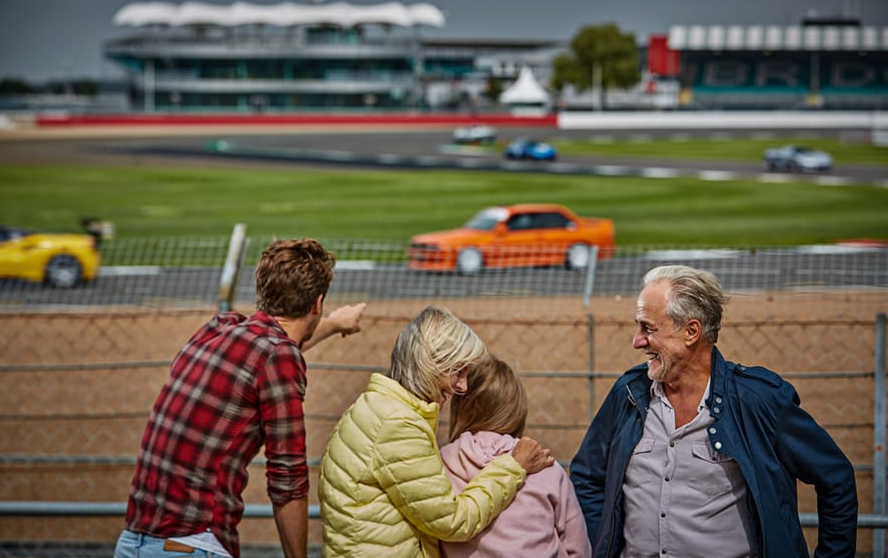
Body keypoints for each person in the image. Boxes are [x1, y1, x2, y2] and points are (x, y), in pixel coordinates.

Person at [570, 265, 858, 558]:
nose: (637, 340)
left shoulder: (758, 400)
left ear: (691, 331)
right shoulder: (628, 393)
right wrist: (600, 545)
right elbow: (587, 477)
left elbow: (835, 477)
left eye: (648, 328)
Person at [114, 238, 366, 558]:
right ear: (317, 303)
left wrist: (330, 325)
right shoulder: (279, 356)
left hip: (133, 542)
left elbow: (266, 351)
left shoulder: (220, 328)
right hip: (191, 544)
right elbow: (287, 483)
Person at [318, 305, 555, 557]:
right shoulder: (398, 426)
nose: (462, 386)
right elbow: (453, 521)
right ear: (431, 365)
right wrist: (514, 466)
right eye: (458, 371)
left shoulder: (375, 409)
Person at [440, 356, 591, 558]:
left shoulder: (441, 464)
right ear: (516, 409)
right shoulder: (544, 465)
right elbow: (578, 548)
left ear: (461, 408)